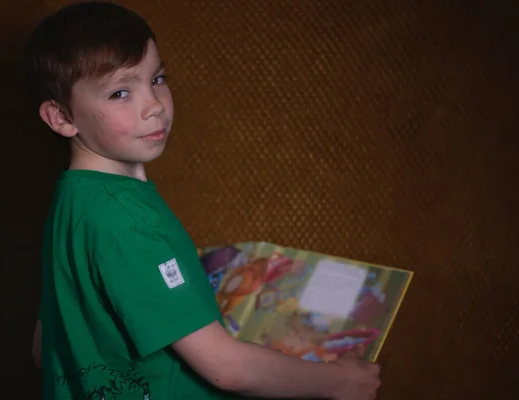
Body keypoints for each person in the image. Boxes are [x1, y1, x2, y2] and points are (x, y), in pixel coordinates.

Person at [24, 2, 381, 399]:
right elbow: (225, 368)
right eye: (120, 92)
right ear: (60, 118)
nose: (154, 105)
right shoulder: (129, 224)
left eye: (157, 78)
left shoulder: (73, 203)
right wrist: (342, 383)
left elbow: (45, 347)